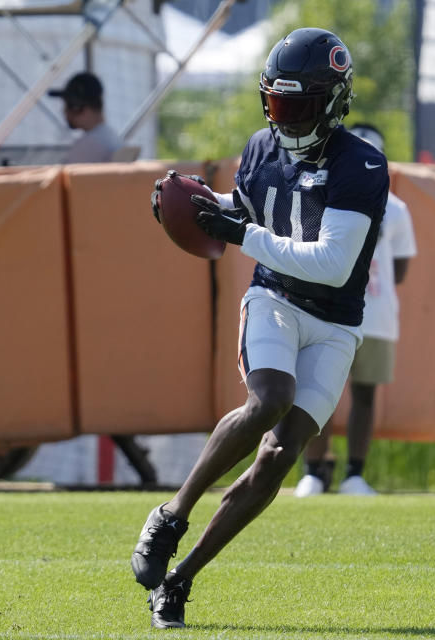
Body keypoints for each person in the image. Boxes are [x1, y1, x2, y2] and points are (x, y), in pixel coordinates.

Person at [135, 28, 389, 628]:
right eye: (278, 104)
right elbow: (249, 209)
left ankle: (179, 580)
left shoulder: (362, 164)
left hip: (333, 321)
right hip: (274, 298)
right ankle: (171, 514)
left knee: (280, 455)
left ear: (334, 102)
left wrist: (240, 233)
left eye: (299, 106)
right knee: (270, 399)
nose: (287, 118)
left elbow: (332, 264)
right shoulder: (260, 148)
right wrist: (196, 205)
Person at [293, 123, 417, 497]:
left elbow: (400, 268)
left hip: (375, 313)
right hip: (327, 308)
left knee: (365, 394)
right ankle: (314, 470)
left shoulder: (396, 209)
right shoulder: (324, 193)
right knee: (317, 390)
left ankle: (355, 474)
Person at [47, 72, 123, 163]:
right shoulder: (111, 137)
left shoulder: (90, 145)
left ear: (78, 106)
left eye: (68, 105)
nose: (64, 111)